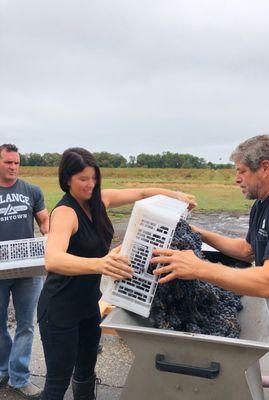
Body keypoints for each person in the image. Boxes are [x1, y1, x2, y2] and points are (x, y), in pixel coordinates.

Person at [37, 147, 196, 400]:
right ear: (67, 179)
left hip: (88, 306)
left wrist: (176, 195)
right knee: (57, 383)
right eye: (83, 179)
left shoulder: (100, 201)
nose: (91, 184)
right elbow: (53, 259)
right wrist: (99, 264)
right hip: (59, 310)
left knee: (86, 373)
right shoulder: (65, 213)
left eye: (94, 177)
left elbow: (143, 194)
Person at [151, 135, 269, 400]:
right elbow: (246, 250)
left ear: (264, 168)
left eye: (242, 171)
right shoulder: (263, 204)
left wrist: (198, 268)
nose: (236, 178)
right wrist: (199, 234)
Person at [0, 144, 49, 399]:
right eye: (8, 162)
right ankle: (1, 372)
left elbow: (43, 220)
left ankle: (19, 377)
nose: (13, 167)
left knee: (27, 324)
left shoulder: (31, 190)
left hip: (28, 267)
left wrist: (49, 235)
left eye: (16, 163)